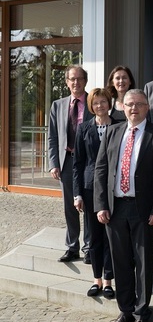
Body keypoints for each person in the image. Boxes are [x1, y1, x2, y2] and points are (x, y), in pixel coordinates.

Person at [94, 89, 153, 322]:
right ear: (121, 107)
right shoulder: (113, 132)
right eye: (129, 104)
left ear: (147, 107)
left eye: (139, 104)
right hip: (115, 207)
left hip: (143, 210)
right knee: (120, 261)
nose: (134, 108)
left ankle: (141, 313)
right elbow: (101, 169)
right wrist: (101, 204)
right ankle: (125, 310)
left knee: (144, 262)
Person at [72, 88, 120, 299]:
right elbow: (77, 164)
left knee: (111, 236)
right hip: (90, 188)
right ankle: (96, 279)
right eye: (95, 102)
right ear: (91, 106)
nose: (99, 106)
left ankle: (108, 280)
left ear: (109, 103)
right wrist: (77, 194)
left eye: (103, 102)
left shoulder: (120, 126)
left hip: (114, 188)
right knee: (94, 236)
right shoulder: (83, 129)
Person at [48, 65, 93, 264]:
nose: (76, 82)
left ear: (85, 80)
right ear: (67, 82)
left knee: (90, 205)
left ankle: (90, 247)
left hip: (89, 162)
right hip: (67, 161)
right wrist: (53, 163)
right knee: (70, 207)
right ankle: (72, 247)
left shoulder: (94, 102)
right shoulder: (58, 105)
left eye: (79, 79)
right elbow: (52, 137)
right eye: (72, 79)